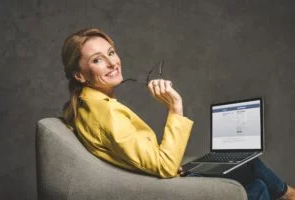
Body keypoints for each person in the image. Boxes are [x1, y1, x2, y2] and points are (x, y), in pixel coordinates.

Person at [61, 28, 295, 200]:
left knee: (250, 165)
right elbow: (164, 167)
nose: (112, 63)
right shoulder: (106, 113)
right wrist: (175, 107)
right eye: (98, 60)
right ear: (80, 75)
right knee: (258, 186)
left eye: (111, 53)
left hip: (155, 176)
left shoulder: (88, 106)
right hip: (165, 185)